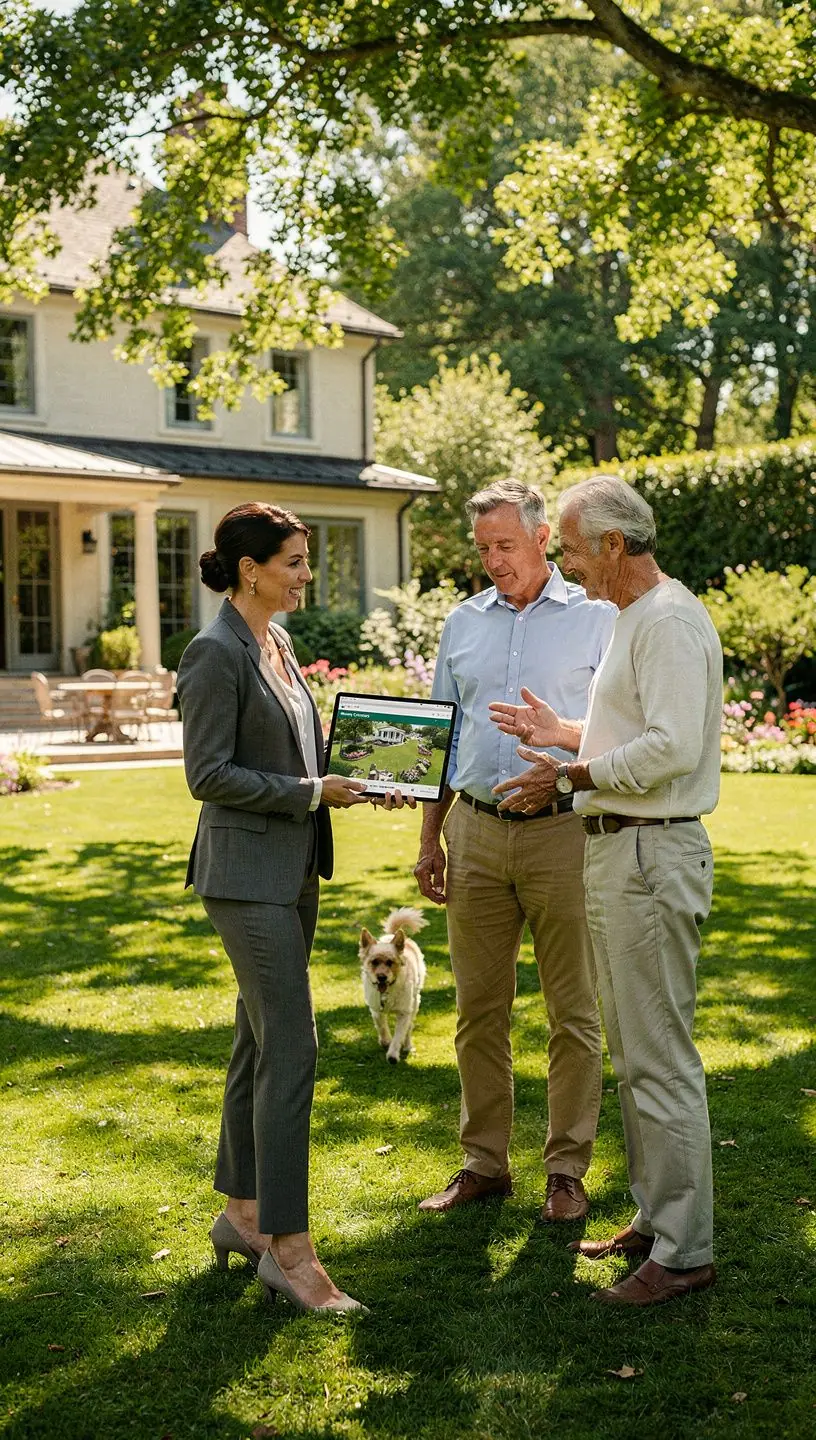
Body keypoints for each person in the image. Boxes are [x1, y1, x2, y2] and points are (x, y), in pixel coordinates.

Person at [491, 475, 722, 1307]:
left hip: (650, 859)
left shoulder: (667, 621)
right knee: (636, 1057)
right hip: (621, 855)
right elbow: (636, 733)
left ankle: (686, 1250)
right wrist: (564, 735)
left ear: (618, 546)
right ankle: (659, 1223)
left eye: (579, 550)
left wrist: (572, 774)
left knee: (659, 1061)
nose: (570, 564)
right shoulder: (633, 618)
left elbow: (669, 747)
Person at [177, 501, 411, 1315]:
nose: (307, 576)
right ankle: (289, 1248)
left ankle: (241, 1213)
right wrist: (315, 789)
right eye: (295, 563)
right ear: (251, 569)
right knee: (295, 1047)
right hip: (243, 878)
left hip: (292, 871)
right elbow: (207, 775)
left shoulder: (274, 641)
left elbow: (294, 754)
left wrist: (361, 777)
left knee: (257, 1040)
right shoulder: (214, 653)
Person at [414, 480, 616, 1219]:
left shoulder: (598, 620)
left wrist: (563, 757)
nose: (493, 560)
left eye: (504, 544)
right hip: (472, 831)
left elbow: (621, 729)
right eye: (483, 549)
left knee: (573, 1012)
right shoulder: (462, 623)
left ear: (540, 540)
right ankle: (483, 1164)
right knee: (478, 1011)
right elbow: (440, 736)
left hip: (564, 833)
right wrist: (431, 839)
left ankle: (566, 1170)